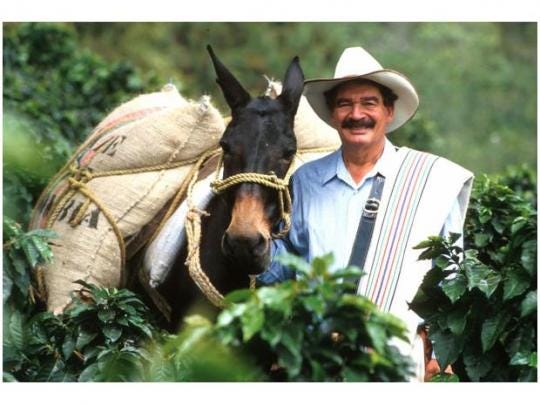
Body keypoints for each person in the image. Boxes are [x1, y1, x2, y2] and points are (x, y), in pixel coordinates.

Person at [257, 47, 474, 381]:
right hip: (316, 360)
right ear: (333, 114)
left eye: (369, 103)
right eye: (345, 104)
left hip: (398, 360)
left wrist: (440, 355)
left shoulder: (432, 179)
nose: (356, 114)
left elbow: (450, 274)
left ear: (388, 110)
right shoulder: (305, 181)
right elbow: (284, 268)